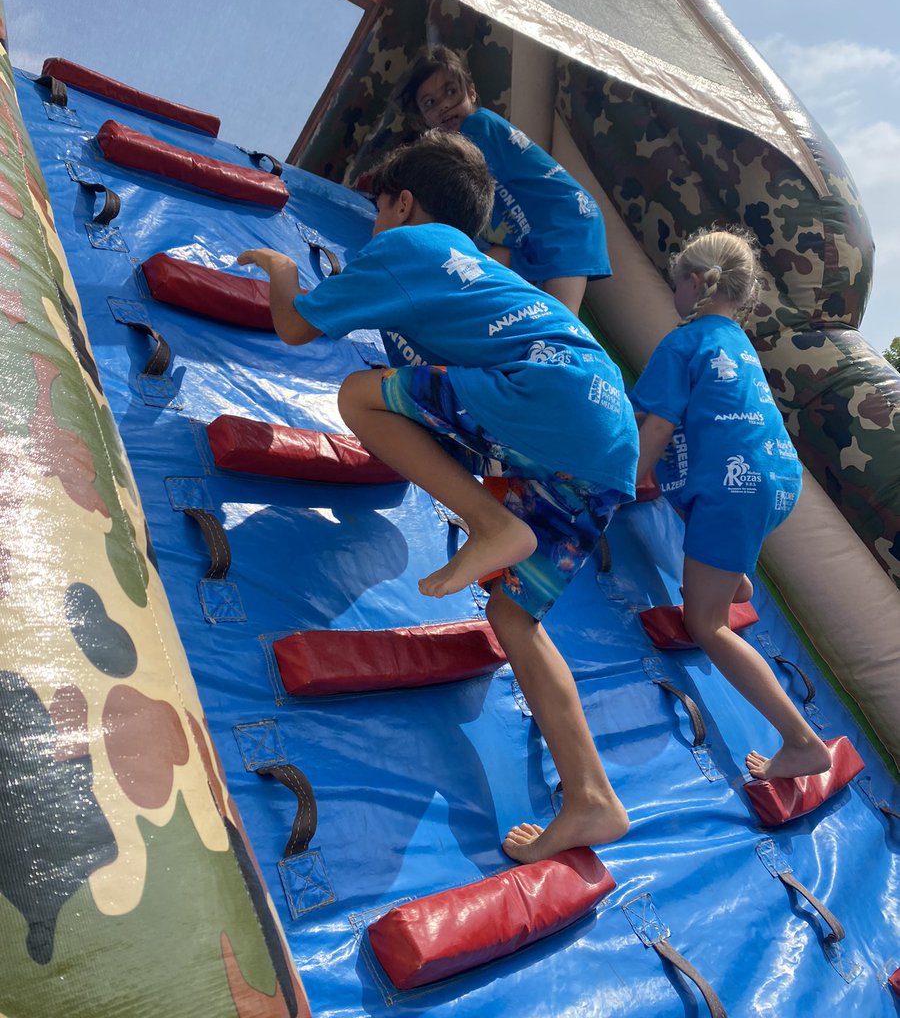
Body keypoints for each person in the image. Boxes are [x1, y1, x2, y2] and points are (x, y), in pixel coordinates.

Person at [238, 130, 639, 862]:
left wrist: (281, 269)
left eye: (376, 210)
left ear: (403, 202)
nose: (373, 226)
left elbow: (296, 327)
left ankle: (491, 523)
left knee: (360, 395)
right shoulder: (481, 267)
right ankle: (591, 797)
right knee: (514, 616)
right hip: (604, 430)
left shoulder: (407, 246)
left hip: (548, 398)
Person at [631, 227, 832, 782]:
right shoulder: (737, 342)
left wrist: (619, 483)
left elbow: (655, 430)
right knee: (694, 480)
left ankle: (801, 742)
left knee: (706, 622)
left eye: (675, 284)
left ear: (694, 284)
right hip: (775, 478)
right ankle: (735, 578)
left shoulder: (683, 341)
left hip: (733, 491)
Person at [393, 44, 610, 316]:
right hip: (527, 235)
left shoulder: (477, 127)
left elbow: (445, 186)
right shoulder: (464, 141)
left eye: (451, 92)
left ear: (471, 92)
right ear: (424, 118)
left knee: (562, 317)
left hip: (565, 222)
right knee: (470, 269)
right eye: (430, 103)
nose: (445, 105)